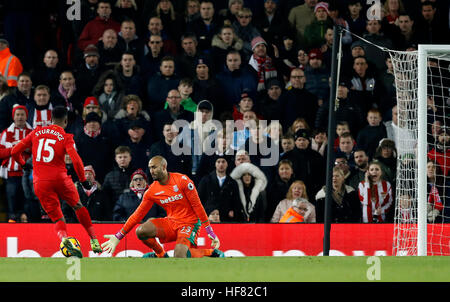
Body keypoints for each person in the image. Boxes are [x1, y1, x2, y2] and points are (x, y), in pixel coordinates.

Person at [11, 106, 102, 257]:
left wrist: (23, 164)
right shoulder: (66, 137)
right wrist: (83, 180)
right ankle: (94, 240)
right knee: (78, 206)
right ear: (65, 121)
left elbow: (14, 151)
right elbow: (76, 160)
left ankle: (65, 239)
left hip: (40, 182)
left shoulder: (36, 132)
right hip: (60, 179)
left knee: (58, 217)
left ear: (51, 119)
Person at [101, 155, 224, 258]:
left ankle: (212, 253)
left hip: (189, 223)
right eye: (150, 168)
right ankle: (160, 254)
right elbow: (137, 215)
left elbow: (197, 206)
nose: (151, 171)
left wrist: (209, 230)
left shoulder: (182, 180)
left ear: (164, 167)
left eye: (154, 167)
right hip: (171, 222)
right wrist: (118, 236)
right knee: (141, 231)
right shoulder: (152, 191)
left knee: (179, 255)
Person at [0, 105, 33, 222]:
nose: (20, 117)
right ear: (13, 117)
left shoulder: (32, 133)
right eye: (17, 115)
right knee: (12, 205)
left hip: (28, 175)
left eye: (22, 115)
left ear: (26, 117)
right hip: (12, 175)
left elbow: (38, 151)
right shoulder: (5, 133)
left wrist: (25, 148)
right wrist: (14, 148)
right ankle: (12, 230)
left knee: (27, 204)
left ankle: (28, 232)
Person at [197, 155, 242, 222]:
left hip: (226, 219)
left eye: (223, 162)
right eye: (218, 162)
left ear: (227, 164)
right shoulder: (206, 180)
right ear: (215, 164)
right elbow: (198, 199)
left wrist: (233, 211)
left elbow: (236, 201)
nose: (221, 164)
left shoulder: (232, 182)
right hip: (209, 218)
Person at [102, 145, 136, 217]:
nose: (122, 159)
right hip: (115, 211)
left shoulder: (137, 175)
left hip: (133, 211)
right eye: (120, 157)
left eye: (125, 157)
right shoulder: (109, 176)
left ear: (130, 158)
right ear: (116, 159)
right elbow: (105, 197)